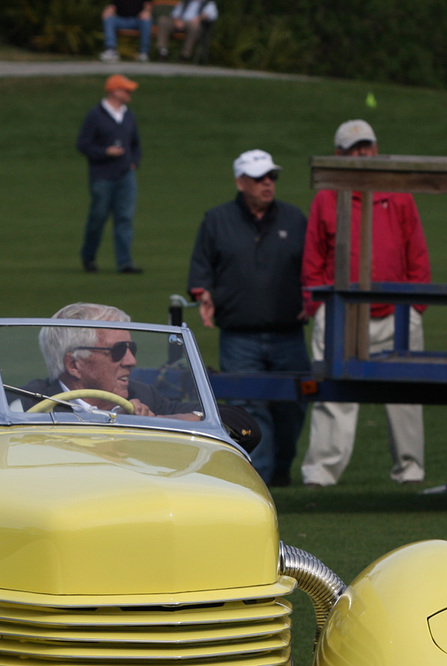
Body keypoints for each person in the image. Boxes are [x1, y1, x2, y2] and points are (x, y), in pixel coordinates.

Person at [300, 119, 430, 487]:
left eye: (367, 146)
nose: (363, 154)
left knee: (406, 395)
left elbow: (416, 253)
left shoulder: (399, 193)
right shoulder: (326, 197)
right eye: (355, 149)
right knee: (333, 394)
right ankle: (321, 472)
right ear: (339, 155)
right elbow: (313, 259)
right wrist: (318, 307)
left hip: (397, 311)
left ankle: (411, 469)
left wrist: (416, 306)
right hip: (341, 313)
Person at [188, 149, 309, 485]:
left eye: (271, 177)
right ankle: (262, 477)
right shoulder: (216, 219)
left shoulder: (295, 219)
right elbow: (201, 268)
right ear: (241, 182)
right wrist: (202, 293)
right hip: (239, 334)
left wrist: (312, 295)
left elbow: (313, 266)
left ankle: (281, 467)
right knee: (250, 408)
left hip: (289, 333)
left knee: (292, 408)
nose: (267, 184)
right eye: (259, 179)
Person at [26, 302, 203, 418]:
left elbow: (223, 417)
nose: (131, 361)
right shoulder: (28, 405)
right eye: (118, 350)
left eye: (131, 348)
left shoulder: (143, 397)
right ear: (74, 365)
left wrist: (157, 421)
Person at [78, 74, 143, 274]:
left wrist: (133, 163)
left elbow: (135, 144)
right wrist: (105, 152)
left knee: (124, 218)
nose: (129, 93)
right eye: (126, 90)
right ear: (114, 91)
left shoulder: (128, 115)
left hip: (126, 175)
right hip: (102, 176)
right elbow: (83, 145)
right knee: (98, 218)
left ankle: (124, 262)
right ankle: (88, 258)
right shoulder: (95, 115)